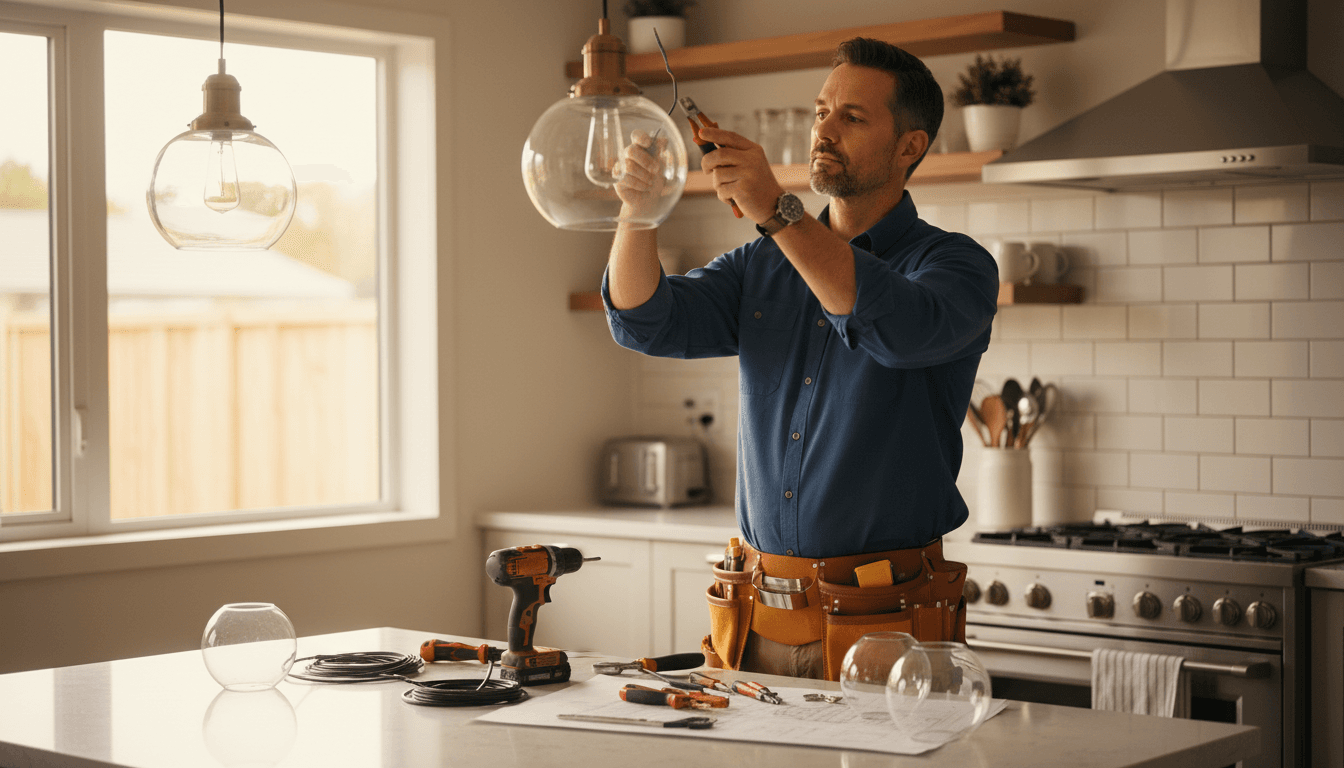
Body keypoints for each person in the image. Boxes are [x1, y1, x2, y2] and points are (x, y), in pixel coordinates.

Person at [602, 38, 999, 680]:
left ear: (910, 147)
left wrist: (774, 210)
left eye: (853, 117)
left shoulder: (955, 267)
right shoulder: (764, 262)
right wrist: (638, 215)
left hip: (888, 626)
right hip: (756, 620)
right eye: (821, 112)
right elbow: (645, 321)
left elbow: (887, 325)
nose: (825, 131)